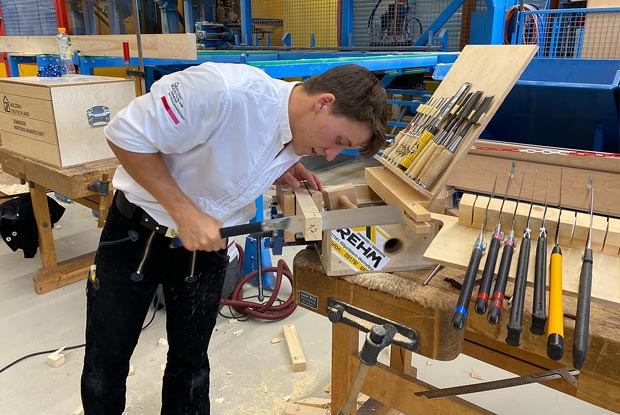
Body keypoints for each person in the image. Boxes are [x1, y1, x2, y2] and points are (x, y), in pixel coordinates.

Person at [80, 62, 387, 414]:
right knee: (107, 359)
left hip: (207, 247)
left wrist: (278, 164)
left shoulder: (295, 135)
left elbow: (246, 149)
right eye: (338, 141)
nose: (331, 154)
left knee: (191, 363)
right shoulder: (223, 91)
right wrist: (184, 212)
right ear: (323, 103)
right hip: (139, 235)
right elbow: (124, 135)